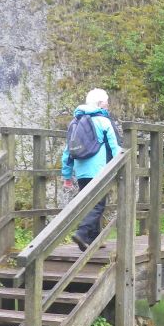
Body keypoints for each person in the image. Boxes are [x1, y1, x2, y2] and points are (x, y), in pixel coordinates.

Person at [61, 88, 122, 251]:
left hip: (81, 172)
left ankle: (94, 240)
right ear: (100, 104)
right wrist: (120, 165)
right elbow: (115, 147)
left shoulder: (74, 123)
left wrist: (67, 175)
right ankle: (82, 233)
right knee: (97, 204)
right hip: (99, 170)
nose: (108, 106)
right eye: (106, 103)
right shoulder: (103, 121)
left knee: (89, 202)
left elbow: (67, 152)